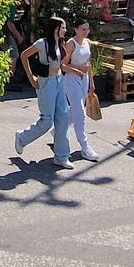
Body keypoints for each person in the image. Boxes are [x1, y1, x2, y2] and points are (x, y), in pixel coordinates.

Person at [14, 16, 74, 169]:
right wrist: (31, 78)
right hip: (46, 83)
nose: (65, 30)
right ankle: (22, 137)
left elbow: (61, 63)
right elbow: (24, 56)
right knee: (47, 121)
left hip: (59, 81)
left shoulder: (60, 43)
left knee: (64, 117)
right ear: (56, 29)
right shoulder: (42, 43)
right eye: (63, 27)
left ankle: (61, 156)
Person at [60, 18, 101, 162]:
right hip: (71, 80)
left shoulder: (87, 43)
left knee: (76, 110)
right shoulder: (71, 44)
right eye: (83, 29)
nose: (86, 31)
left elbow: (88, 64)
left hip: (84, 80)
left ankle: (58, 129)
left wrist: (91, 82)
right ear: (76, 29)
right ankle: (85, 146)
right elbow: (63, 65)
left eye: (87, 29)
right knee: (80, 112)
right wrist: (77, 70)